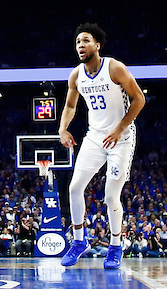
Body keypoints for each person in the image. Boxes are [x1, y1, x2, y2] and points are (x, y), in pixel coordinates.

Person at [57, 24, 146, 271]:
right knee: (74, 188)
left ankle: (116, 245)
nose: (80, 45)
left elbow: (139, 99)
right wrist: (63, 129)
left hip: (122, 137)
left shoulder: (114, 67)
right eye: (77, 42)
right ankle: (78, 241)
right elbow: (70, 106)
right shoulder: (76, 75)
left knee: (110, 195)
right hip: (95, 137)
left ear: (97, 45)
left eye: (85, 40)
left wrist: (119, 129)